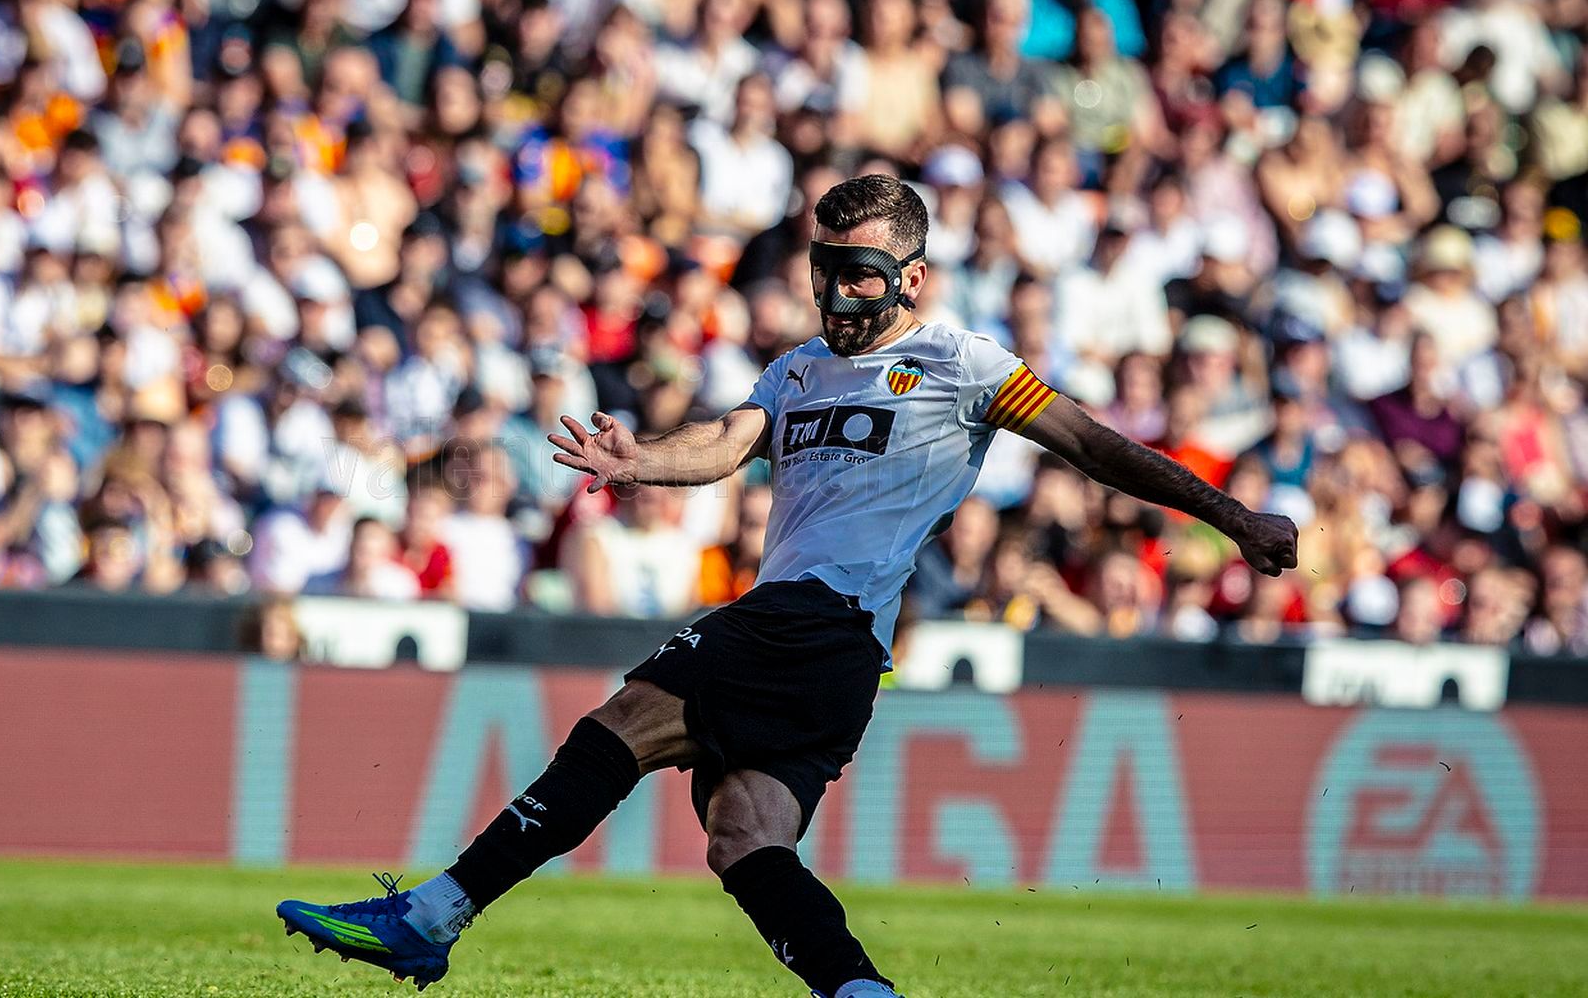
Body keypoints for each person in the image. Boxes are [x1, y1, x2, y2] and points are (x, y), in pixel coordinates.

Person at [273, 175, 1299, 996]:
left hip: (823, 617)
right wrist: (640, 462)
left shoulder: (966, 363)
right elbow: (728, 443)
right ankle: (861, 994)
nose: (836, 294)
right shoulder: (799, 369)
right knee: (744, 838)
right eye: (824, 269)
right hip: (835, 653)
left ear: (912, 278)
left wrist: (1234, 519)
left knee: (628, 721)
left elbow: (1096, 446)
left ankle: (432, 916)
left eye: (858, 274)